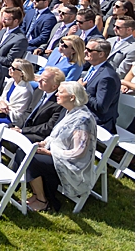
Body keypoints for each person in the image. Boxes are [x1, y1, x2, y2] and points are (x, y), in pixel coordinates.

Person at [25, 81, 97, 212]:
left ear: (72, 97)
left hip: (71, 164)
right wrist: (44, 143)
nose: (57, 94)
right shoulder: (70, 112)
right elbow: (56, 136)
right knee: (23, 151)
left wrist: (51, 153)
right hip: (57, 154)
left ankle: (43, 200)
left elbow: (78, 152)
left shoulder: (83, 119)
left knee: (31, 159)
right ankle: (37, 194)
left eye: (61, 92)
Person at [80, 37, 121, 132]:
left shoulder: (107, 77)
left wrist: (82, 91)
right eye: (86, 48)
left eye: (89, 50)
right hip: (84, 113)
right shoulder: (94, 67)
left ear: (101, 54)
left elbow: (101, 107)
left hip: (98, 121)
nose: (85, 51)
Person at [16, 67, 66, 141]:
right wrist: (17, 126)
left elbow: (47, 127)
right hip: (26, 128)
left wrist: (23, 131)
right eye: (40, 78)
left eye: (44, 80)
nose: (39, 81)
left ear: (54, 86)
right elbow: (29, 111)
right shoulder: (39, 91)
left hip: (39, 135)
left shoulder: (59, 103)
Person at [0, 59, 35, 126]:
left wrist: (0, 106)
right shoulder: (11, 81)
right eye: (10, 66)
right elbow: (2, 99)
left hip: (10, 119)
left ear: (22, 73)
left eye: (13, 68)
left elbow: (18, 115)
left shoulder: (25, 91)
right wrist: (1, 104)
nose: (9, 68)